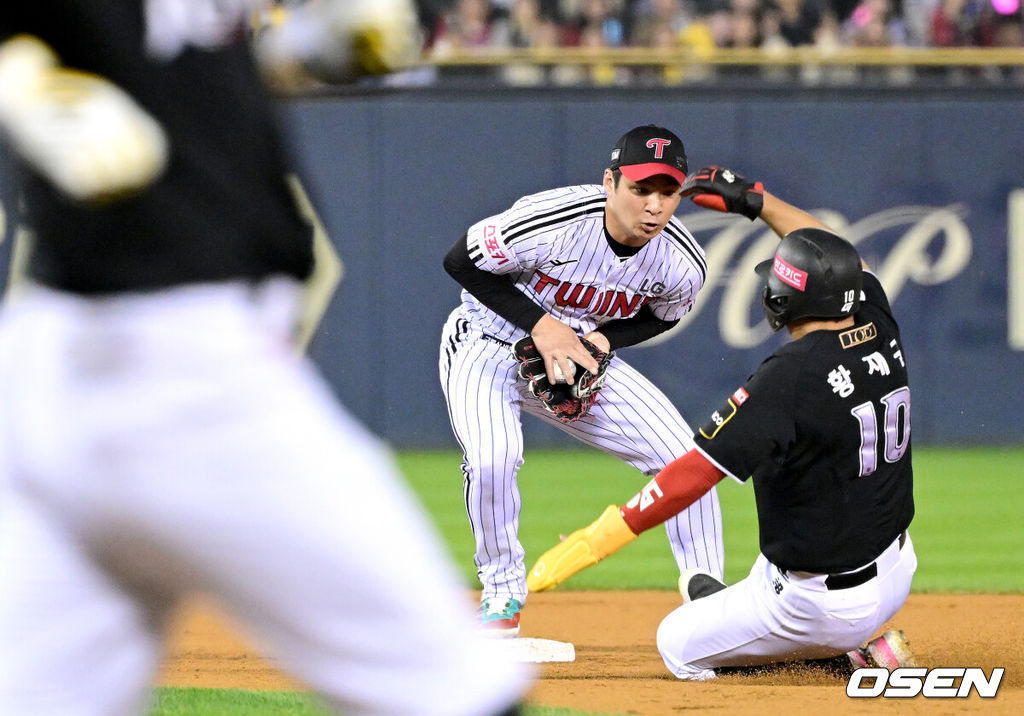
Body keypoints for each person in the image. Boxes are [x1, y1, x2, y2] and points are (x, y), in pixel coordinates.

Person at [0, 3, 530, 715]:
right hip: (188, 368)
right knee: (461, 693)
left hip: (56, 370)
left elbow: (174, 76)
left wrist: (292, 50)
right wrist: (17, 82)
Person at [526, 164, 918, 679]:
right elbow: (838, 254)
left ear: (781, 301)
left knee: (677, 643)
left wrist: (601, 538)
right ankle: (791, 627)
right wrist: (757, 202)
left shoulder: (789, 377)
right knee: (761, 574)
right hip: (896, 568)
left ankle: (839, 659)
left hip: (823, 606)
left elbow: (693, 474)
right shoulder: (874, 320)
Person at [439, 125, 724, 636]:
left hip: (577, 359)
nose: (655, 206)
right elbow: (461, 261)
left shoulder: (682, 262)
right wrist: (544, 326)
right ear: (610, 182)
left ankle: (709, 602)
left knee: (687, 459)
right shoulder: (554, 220)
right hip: (486, 343)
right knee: (492, 459)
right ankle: (502, 596)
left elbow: (663, 315)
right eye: (641, 189)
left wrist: (604, 341)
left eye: (668, 192)